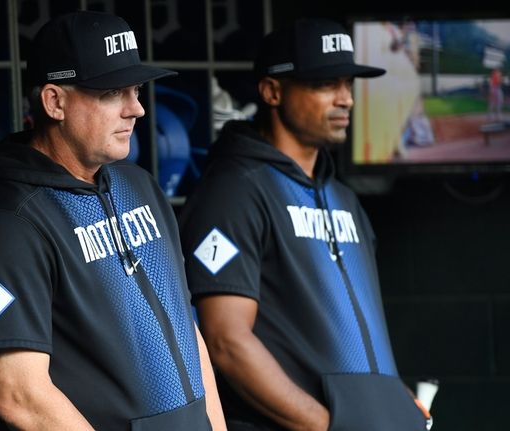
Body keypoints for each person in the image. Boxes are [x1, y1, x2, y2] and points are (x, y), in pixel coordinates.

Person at [0, 10, 225, 431]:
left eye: (134, 90)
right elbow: (21, 397)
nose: (136, 109)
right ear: (54, 101)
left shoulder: (139, 185)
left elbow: (184, 326)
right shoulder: (9, 222)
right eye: (113, 92)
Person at [178, 18, 431, 431]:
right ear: (272, 91)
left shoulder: (343, 197)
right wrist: (327, 424)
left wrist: (393, 402)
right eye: (324, 84)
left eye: (348, 84)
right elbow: (226, 340)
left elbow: (358, 339)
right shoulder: (233, 192)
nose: (345, 99)